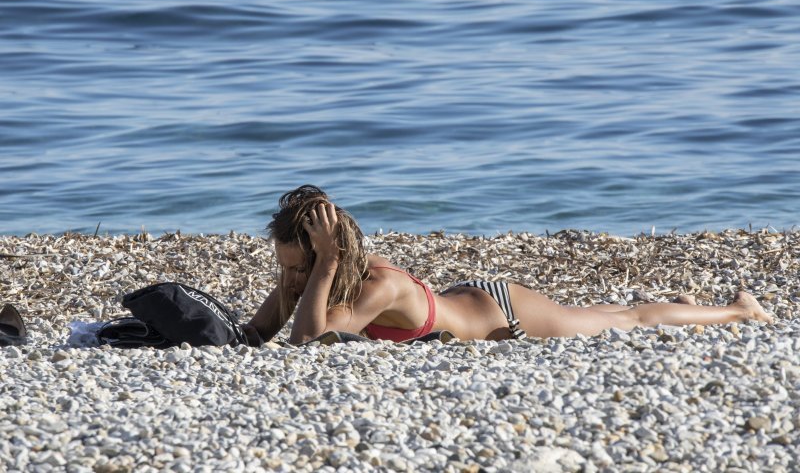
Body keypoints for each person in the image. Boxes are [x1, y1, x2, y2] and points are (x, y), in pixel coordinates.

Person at [244, 185, 774, 345]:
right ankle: (683, 305)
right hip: (461, 298)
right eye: (285, 268)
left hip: (502, 310)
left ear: (330, 257)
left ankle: (737, 310)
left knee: (627, 320)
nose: (289, 279)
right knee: (603, 311)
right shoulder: (312, 279)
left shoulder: (377, 285)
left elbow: (308, 346)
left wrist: (321, 268)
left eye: (298, 268)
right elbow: (256, 333)